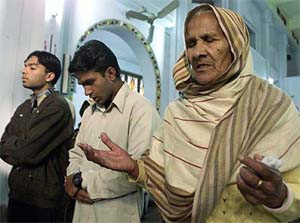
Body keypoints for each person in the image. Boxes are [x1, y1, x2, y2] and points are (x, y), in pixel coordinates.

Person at [79, 4, 300, 223]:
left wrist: (281, 197)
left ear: (236, 43)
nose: (197, 52)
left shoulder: (271, 105)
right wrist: (134, 168)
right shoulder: (178, 112)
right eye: (191, 43)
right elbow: (159, 177)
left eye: (209, 39)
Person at [64, 40, 161, 223]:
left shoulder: (141, 110)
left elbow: (138, 171)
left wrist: (80, 181)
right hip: (82, 211)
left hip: (118, 214)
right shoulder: (89, 112)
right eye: (82, 85)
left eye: (90, 82)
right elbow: (76, 153)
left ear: (110, 73)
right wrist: (71, 177)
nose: (86, 91)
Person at [0, 50, 74, 222]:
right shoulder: (25, 107)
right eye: (25, 66)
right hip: (18, 194)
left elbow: (27, 152)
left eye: (32, 67)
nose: (24, 71)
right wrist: (18, 146)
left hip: (42, 199)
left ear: (49, 76)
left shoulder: (57, 106)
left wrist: (18, 146)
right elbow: (3, 143)